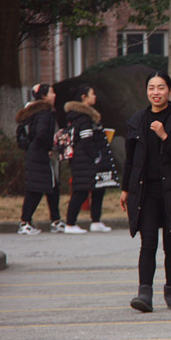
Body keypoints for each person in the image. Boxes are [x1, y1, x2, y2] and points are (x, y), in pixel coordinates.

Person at [120, 71, 171, 312]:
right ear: (146, 91)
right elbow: (130, 160)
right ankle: (144, 293)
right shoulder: (137, 120)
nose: (156, 92)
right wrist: (125, 189)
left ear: (169, 90)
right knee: (148, 242)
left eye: (161, 87)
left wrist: (165, 136)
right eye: (151, 88)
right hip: (146, 192)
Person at [63, 84, 119, 233]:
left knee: (99, 188)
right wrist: (96, 155)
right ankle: (70, 224)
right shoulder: (83, 117)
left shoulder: (81, 116)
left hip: (84, 160)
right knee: (80, 191)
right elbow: (86, 139)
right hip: (85, 160)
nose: (95, 97)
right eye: (92, 94)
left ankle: (96, 221)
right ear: (84, 97)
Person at [16, 84, 64, 235]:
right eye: (51, 92)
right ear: (43, 96)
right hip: (39, 155)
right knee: (36, 190)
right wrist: (49, 147)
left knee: (52, 187)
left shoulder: (35, 112)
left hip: (35, 153)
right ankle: (25, 222)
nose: (54, 95)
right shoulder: (44, 113)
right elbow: (42, 134)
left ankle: (55, 220)